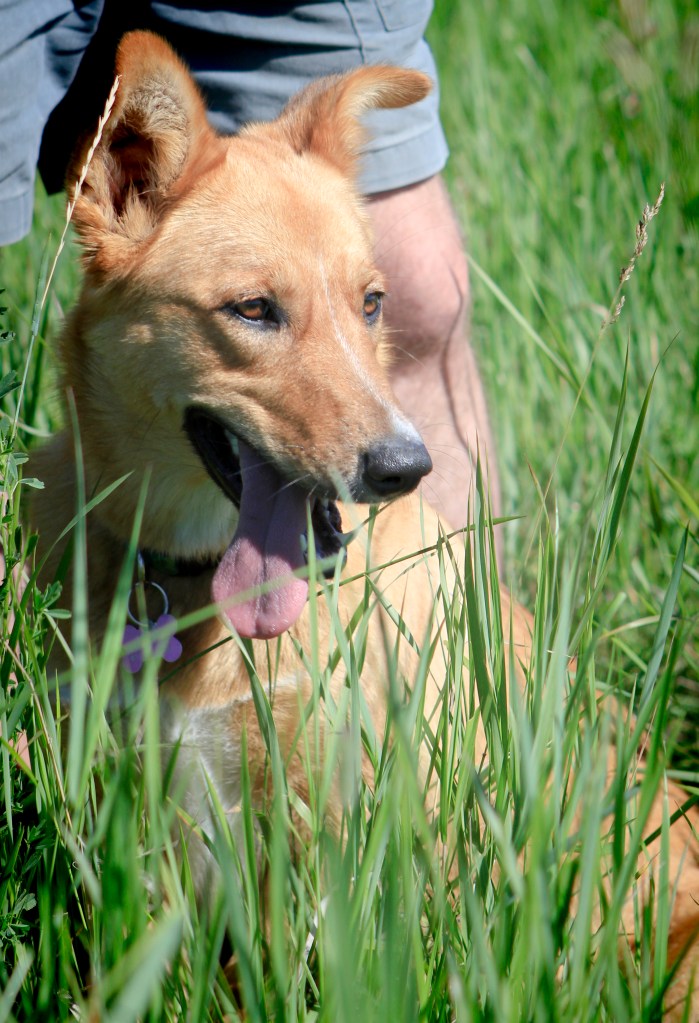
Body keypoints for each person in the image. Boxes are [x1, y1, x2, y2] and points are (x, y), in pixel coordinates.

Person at [0, 1, 501, 537]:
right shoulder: (37, 544)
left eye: (369, 304)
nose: (396, 442)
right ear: (129, 188)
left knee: (427, 288)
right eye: (256, 310)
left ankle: (470, 618)